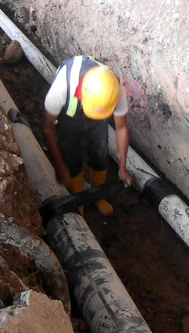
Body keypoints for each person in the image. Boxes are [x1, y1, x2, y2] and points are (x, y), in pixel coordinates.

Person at [42, 55, 133, 216]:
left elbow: (121, 127)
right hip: (68, 119)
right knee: (71, 157)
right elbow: (47, 126)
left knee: (100, 153)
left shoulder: (113, 88)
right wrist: (59, 166)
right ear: (83, 93)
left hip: (97, 123)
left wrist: (122, 166)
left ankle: (98, 195)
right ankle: (77, 197)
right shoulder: (63, 85)